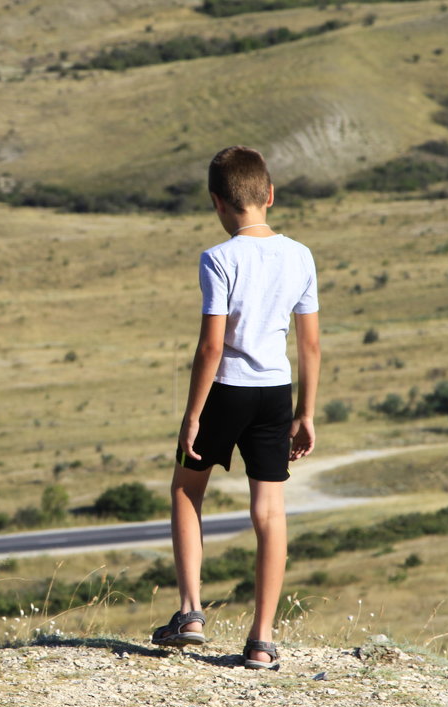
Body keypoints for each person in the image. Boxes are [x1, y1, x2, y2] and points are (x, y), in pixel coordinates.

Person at [151, 146, 321, 670]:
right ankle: (262, 640)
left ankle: (191, 614)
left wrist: (192, 415)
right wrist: (306, 413)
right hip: (276, 392)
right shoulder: (300, 255)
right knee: (269, 512)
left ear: (217, 203)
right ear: (270, 195)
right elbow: (310, 345)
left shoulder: (218, 259)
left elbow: (210, 347)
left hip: (226, 388)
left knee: (186, 488)